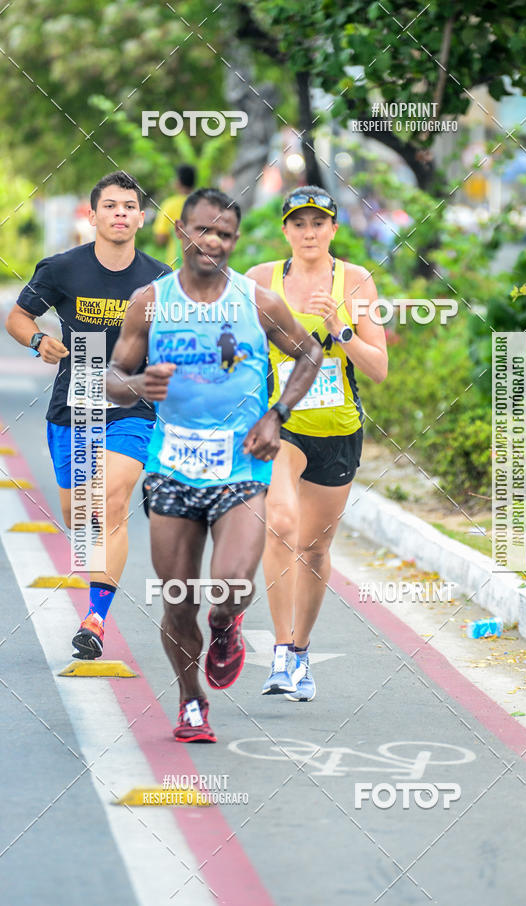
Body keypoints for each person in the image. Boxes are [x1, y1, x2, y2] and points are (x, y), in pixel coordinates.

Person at [105, 187, 322, 742]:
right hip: (173, 468)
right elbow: (111, 378)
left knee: (227, 586)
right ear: (182, 232)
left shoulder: (258, 301)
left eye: (225, 234)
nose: (213, 242)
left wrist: (277, 415)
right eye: (204, 230)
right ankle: (191, 700)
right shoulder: (149, 301)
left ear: (235, 241)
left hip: (240, 468)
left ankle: (225, 627)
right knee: (178, 599)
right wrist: (136, 384)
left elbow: (310, 353)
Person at [6, 171, 170, 659]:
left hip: (130, 405)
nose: (120, 213)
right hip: (72, 406)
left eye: (129, 206)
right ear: (93, 214)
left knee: (110, 503)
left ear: (141, 218)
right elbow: (18, 316)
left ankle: (95, 620)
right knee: (82, 519)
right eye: (111, 206)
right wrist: (38, 340)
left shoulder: (161, 278)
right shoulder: (61, 269)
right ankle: (95, 583)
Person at [246, 186, 388, 701]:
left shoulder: (356, 282)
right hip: (282, 424)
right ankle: (281, 652)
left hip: (339, 430)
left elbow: (379, 368)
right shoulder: (261, 280)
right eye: (299, 224)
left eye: (318, 223)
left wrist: (339, 328)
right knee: (280, 525)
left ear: (333, 229)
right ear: (285, 230)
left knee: (314, 546)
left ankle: (301, 652)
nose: (309, 233)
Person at [153, 164, 196, 269]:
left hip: (175, 266)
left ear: (178, 182)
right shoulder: (201, 203)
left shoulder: (169, 205)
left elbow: (160, 238)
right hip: (198, 266)